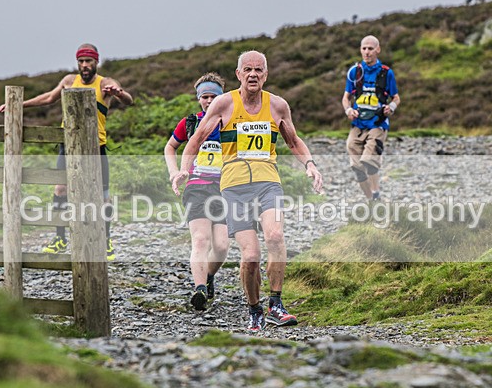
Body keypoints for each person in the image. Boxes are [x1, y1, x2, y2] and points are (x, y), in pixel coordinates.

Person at [172, 51, 323, 332]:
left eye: (259, 70)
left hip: (268, 183)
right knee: (251, 255)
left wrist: (310, 164)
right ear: (239, 74)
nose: (253, 74)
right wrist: (183, 168)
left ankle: (276, 304)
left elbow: (293, 141)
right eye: (247, 70)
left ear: (266, 75)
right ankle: (254, 310)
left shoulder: (277, 105)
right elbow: (194, 142)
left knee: (275, 236)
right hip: (234, 187)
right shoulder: (223, 104)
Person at [0, 43, 133, 260]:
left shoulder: (105, 83)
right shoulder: (70, 81)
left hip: (95, 147)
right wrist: (18, 105)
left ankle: (106, 241)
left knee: (103, 196)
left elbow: (128, 99)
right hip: (67, 145)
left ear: (96, 62)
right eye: (81, 61)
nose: (85, 65)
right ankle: (60, 238)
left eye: (89, 61)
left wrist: (119, 93)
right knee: (60, 189)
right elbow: (49, 98)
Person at [164, 73, 230, 311]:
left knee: (221, 246)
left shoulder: (231, 123)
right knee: (201, 240)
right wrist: (175, 172)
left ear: (223, 97)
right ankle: (199, 289)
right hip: (196, 188)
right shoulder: (191, 122)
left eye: (214, 96)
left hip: (223, 189)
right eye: (205, 97)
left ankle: (209, 276)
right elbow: (170, 147)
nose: (210, 101)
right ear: (199, 98)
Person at [341, 35, 401, 201]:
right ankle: (371, 201)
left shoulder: (387, 73)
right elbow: (346, 97)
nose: (366, 52)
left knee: (369, 161)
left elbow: (396, 97)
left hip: (378, 124)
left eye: (370, 48)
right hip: (357, 124)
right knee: (356, 167)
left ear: (378, 50)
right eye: (364, 48)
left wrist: (391, 108)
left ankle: (376, 193)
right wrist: (348, 110)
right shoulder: (354, 72)